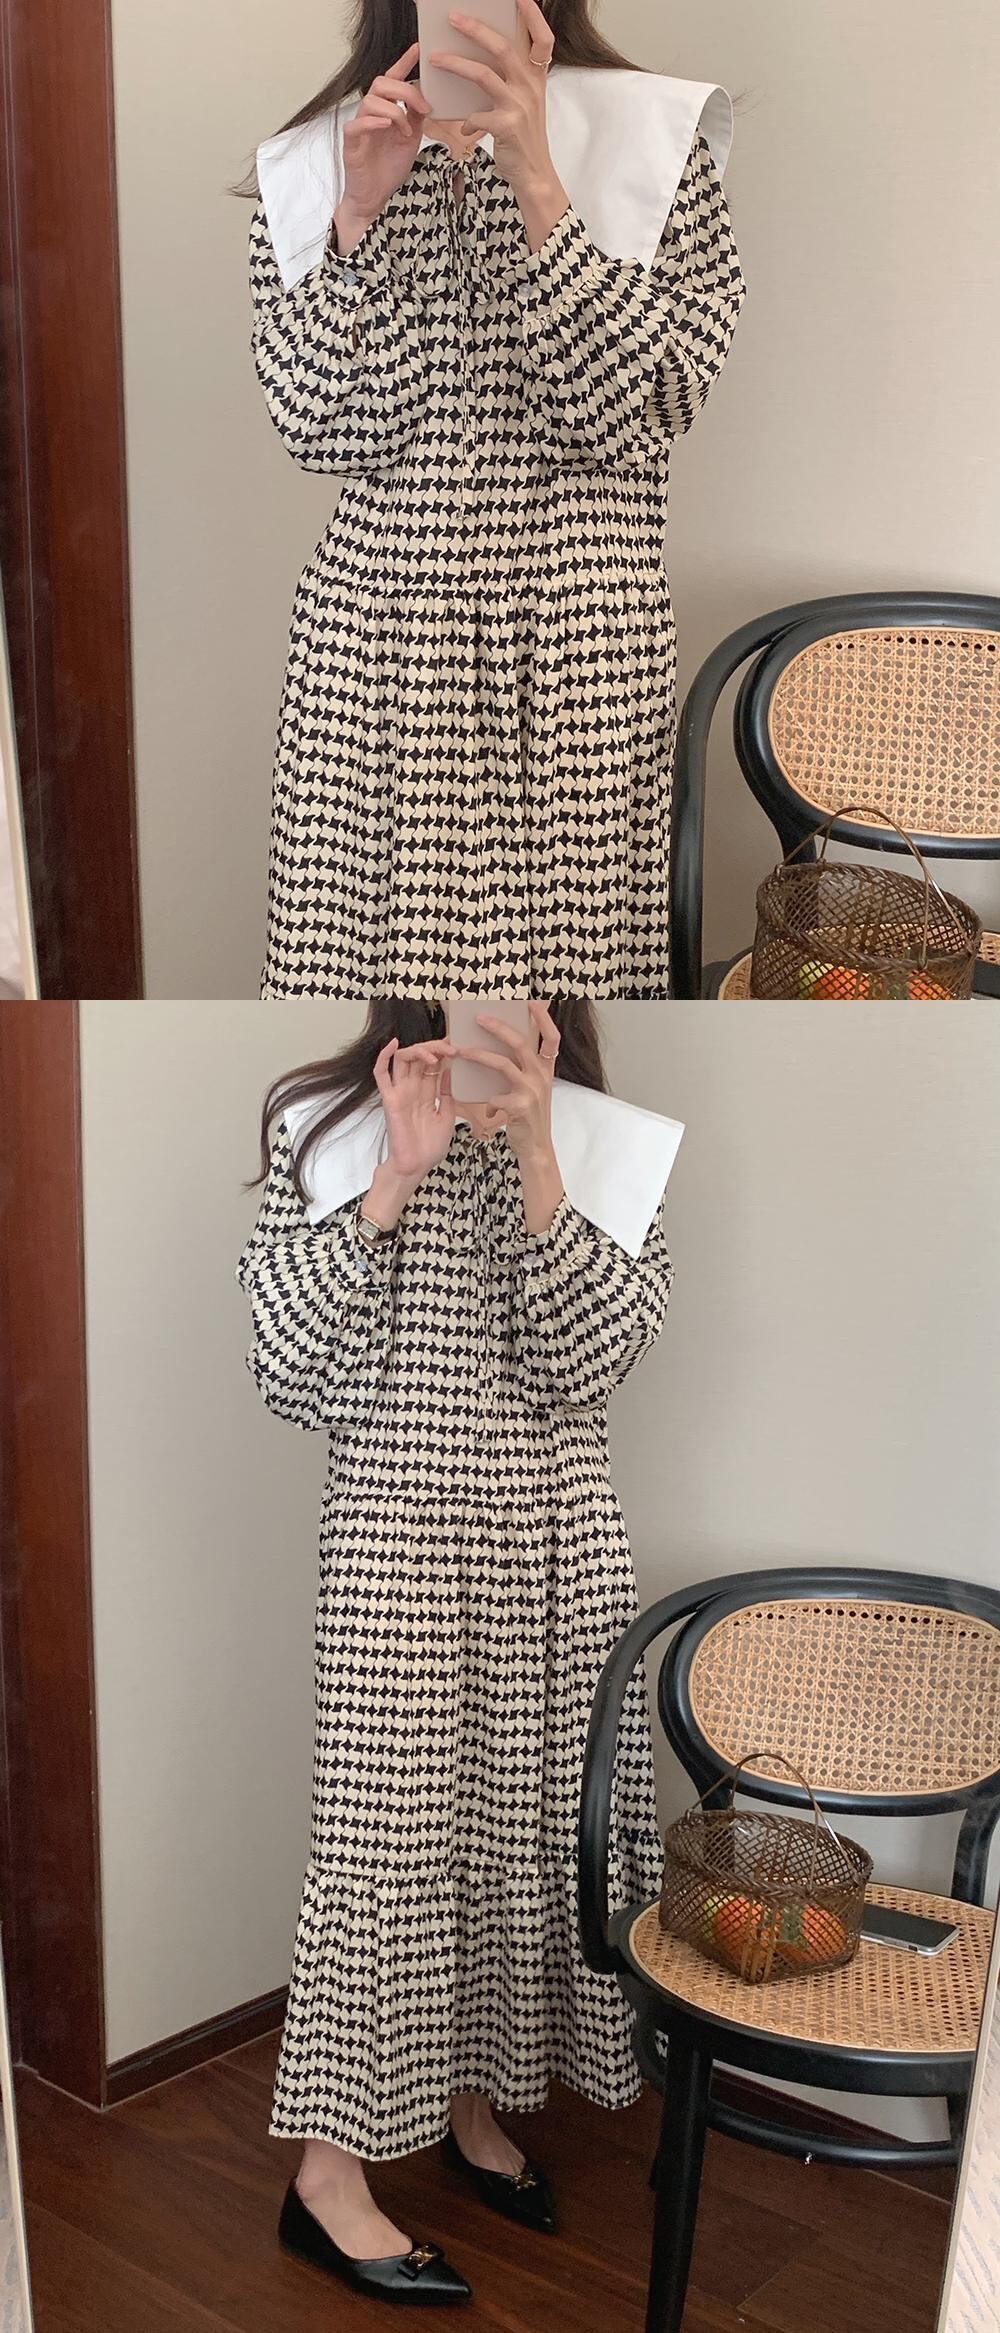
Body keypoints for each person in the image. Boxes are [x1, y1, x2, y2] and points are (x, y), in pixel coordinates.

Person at [236, 999, 675, 2304]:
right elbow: (283, 1364)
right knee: (385, 1846)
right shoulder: (324, 1121)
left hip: (557, 1547)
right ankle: (325, 2179)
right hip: (398, 1549)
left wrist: (539, 1151)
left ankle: (473, 2107)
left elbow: (592, 1361)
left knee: (516, 1831)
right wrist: (393, 1179)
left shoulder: (607, 1141)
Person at [248, 0, 746, 998]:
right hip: (376, 657)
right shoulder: (318, 159)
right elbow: (322, 427)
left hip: (577, 661)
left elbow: (645, 409)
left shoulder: (652, 136)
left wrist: (538, 182)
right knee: (373, 1011)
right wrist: (357, 220)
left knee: (568, 1019)